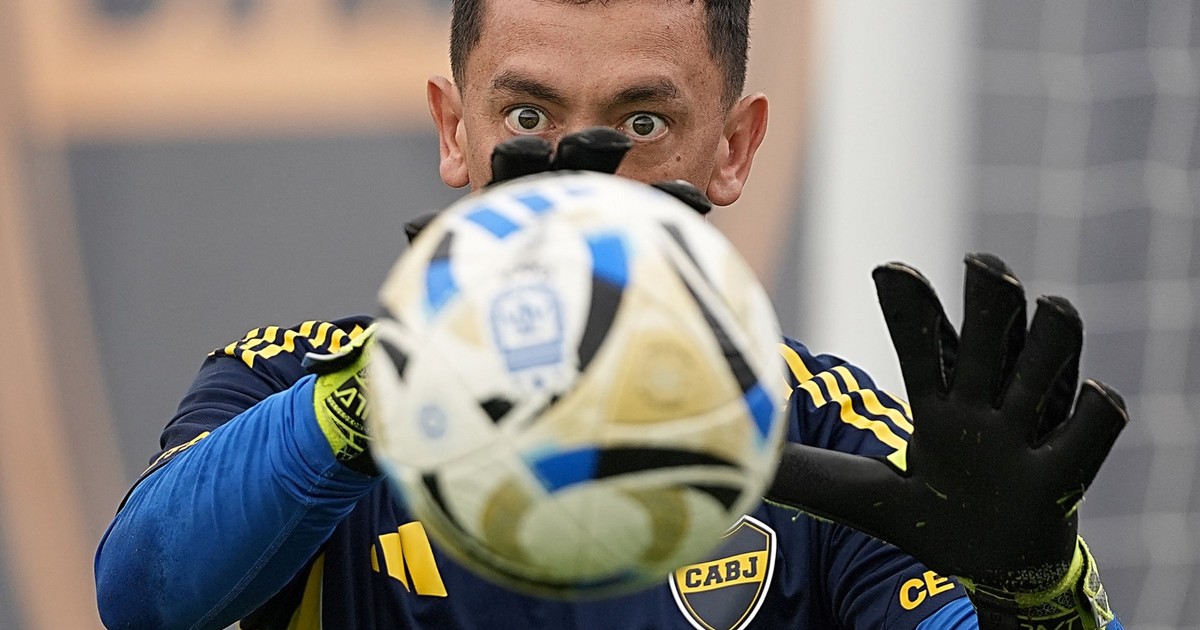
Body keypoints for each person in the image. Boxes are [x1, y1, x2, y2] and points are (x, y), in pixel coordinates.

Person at [94, 1, 1127, 628]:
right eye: (528, 115)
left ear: (733, 149)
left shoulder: (832, 437)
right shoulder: (299, 388)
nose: (576, 178)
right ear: (453, 130)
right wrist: (403, 381)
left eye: (641, 121)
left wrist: (1036, 595)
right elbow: (143, 598)